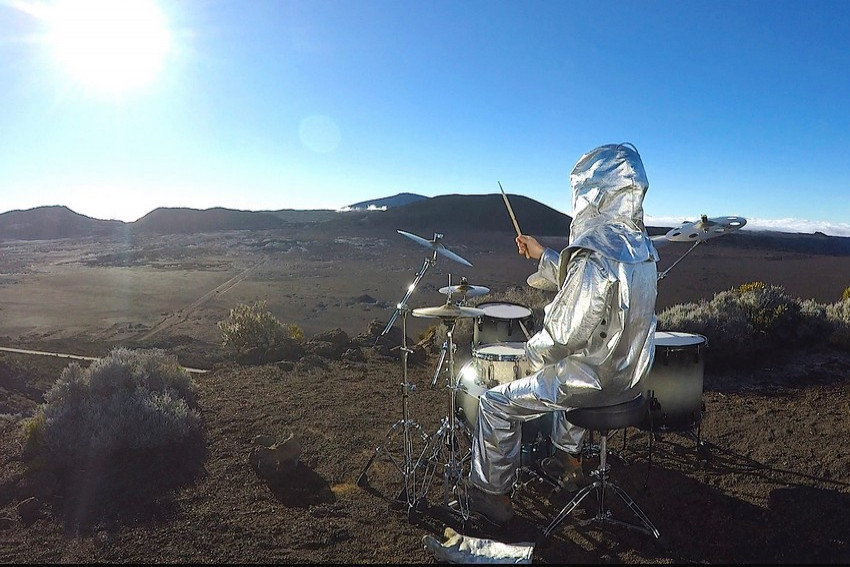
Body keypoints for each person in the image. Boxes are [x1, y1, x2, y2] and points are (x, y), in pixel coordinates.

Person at [467, 142, 660, 525]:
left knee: (496, 402)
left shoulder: (594, 253)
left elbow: (561, 336)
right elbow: (589, 289)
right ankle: (566, 461)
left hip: (594, 382)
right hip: (631, 375)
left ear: (595, 194)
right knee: (574, 368)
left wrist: (528, 355)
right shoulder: (643, 250)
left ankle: (492, 498)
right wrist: (542, 255)